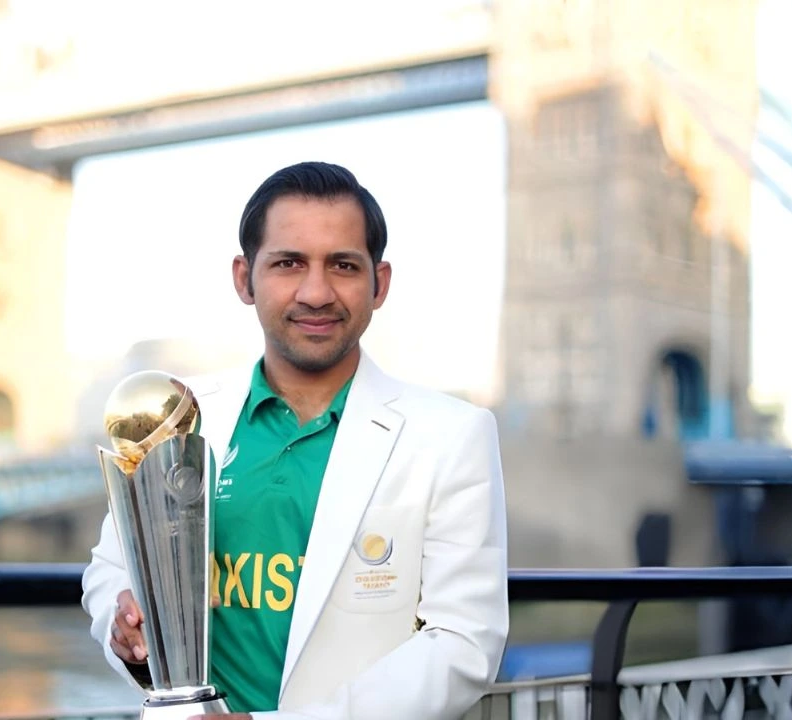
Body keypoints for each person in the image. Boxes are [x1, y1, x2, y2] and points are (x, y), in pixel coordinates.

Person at [81, 161, 509, 720]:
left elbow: (462, 644)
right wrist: (126, 628)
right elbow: (112, 569)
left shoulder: (450, 435)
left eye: (343, 266)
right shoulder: (180, 414)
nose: (316, 292)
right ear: (244, 278)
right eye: (288, 263)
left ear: (379, 284)